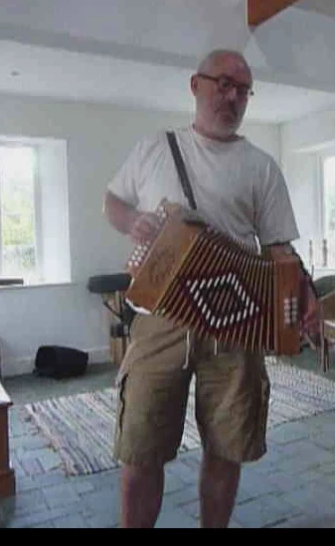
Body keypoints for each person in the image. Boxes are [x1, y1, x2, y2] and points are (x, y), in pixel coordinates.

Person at [103, 49, 318, 528]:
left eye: (243, 90)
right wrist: (134, 222)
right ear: (195, 85)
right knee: (140, 450)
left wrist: (304, 288)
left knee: (226, 449)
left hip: (238, 321)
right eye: (223, 83)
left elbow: (280, 247)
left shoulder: (262, 167)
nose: (233, 96)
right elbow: (113, 202)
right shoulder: (155, 147)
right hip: (161, 317)